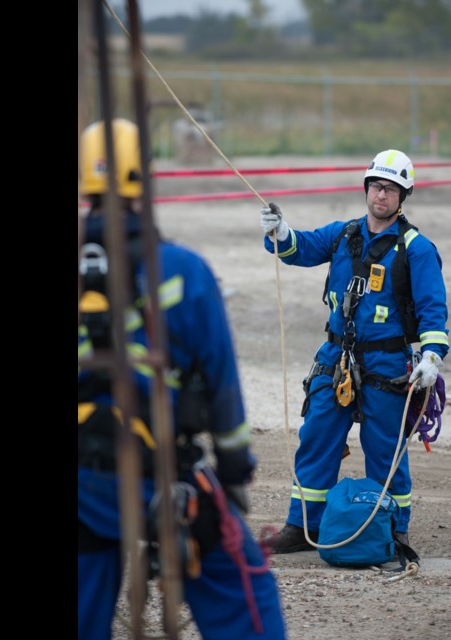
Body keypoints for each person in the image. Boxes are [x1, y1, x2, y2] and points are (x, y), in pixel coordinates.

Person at [78, 118, 286, 640]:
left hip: (81, 484)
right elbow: (221, 385)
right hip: (161, 475)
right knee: (246, 592)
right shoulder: (182, 271)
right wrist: (234, 472)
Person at [258, 149, 449, 554]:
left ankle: (393, 530)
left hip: (388, 363)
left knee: (385, 449)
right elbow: (300, 249)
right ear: (367, 188)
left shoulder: (417, 249)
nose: (382, 195)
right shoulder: (344, 234)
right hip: (336, 358)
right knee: (318, 437)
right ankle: (303, 525)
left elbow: (434, 310)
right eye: (377, 186)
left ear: (403, 196)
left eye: (391, 189)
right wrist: (279, 232)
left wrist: (431, 358)